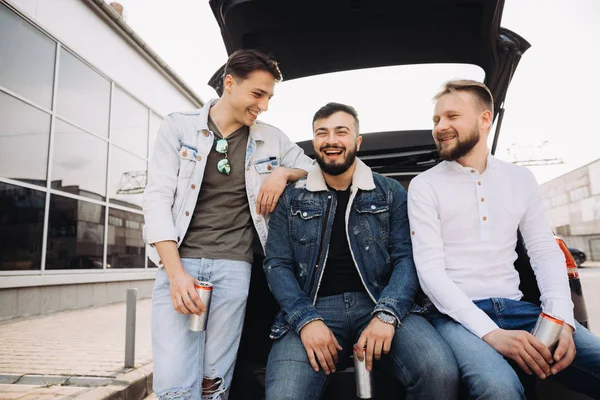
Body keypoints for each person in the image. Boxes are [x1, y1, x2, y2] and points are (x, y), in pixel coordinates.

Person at [407, 79, 600, 399]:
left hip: (519, 309)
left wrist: (561, 318)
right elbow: (430, 273)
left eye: (452, 116)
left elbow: (543, 250)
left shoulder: (520, 178)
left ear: (485, 119)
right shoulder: (424, 186)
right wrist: (492, 334)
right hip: (455, 317)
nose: (440, 126)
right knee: (499, 388)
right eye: (436, 120)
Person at [143, 49, 314, 400]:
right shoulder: (179, 127)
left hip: (235, 268)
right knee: (175, 383)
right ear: (230, 83)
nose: (264, 105)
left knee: (214, 381)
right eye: (257, 94)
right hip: (181, 263)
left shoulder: (272, 138)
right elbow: (156, 198)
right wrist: (175, 275)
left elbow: (313, 171)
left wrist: (282, 172)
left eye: (269, 97)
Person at [262, 102, 459, 399]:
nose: (331, 140)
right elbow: (277, 264)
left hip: (380, 299)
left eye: (341, 131)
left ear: (357, 141)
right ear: (314, 141)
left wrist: (387, 314)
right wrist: (305, 319)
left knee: (439, 372)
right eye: (322, 133)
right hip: (313, 306)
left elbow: (407, 258)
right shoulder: (291, 198)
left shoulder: (390, 191)